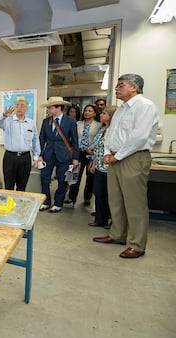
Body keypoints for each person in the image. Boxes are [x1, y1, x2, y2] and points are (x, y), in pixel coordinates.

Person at [93, 74, 159, 259]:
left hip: (133, 158)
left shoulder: (144, 106)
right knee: (116, 200)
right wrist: (107, 152)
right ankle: (117, 235)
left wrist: (117, 156)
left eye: (121, 85)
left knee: (134, 203)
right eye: (117, 86)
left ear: (134, 88)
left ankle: (137, 245)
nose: (117, 89)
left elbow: (139, 137)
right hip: (114, 158)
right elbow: (110, 133)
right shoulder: (122, 109)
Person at [38, 96, 79, 213]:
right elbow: (42, 139)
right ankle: (46, 201)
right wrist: (39, 155)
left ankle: (58, 203)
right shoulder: (46, 121)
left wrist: (75, 158)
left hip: (64, 155)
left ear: (58, 108)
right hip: (48, 155)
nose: (48, 110)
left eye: (50, 108)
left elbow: (75, 141)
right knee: (44, 178)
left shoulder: (70, 121)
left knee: (62, 180)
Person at [0, 97, 41, 191]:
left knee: (22, 186)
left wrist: (36, 157)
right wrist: (4, 115)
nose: (19, 108)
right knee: (8, 186)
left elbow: (35, 140)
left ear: (27, 109)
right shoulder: (7, 121)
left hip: (25, 158)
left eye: (22, 106)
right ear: (14, 108)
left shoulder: (31, 123)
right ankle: (9, 205)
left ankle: (19, 205)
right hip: (10, 158)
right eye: (17, 106)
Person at [65, 104, 102, 206]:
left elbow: (99, 139)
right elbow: (73, 137)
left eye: (90, 111)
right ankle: (72, 197)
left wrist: (92, 148)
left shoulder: (99, 125)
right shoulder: (78, 124)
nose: (87, 113)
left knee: (90, 177)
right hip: (78, 152)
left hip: (91, 153)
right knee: (75, 175)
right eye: (86, 110)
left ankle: (87, 197)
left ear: (94, 113)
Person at [88, 105, 117, 229]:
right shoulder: (102, 129)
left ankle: (114, 221)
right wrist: (94, 163)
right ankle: (100, 219)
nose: (101, 115)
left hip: (111, 167)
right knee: (98, 192)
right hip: (99, 166)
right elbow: (98, 148)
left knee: (111, 195)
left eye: (104, 113)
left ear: (112, 116)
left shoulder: (115, 130)